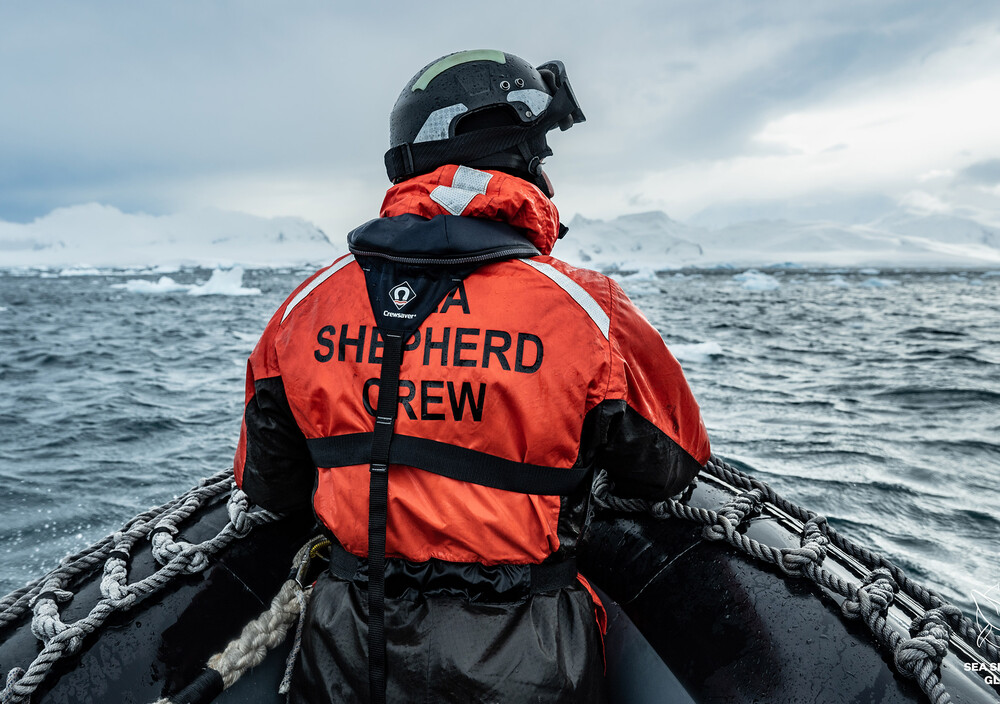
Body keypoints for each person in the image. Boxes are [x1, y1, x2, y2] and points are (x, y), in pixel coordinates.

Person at [233, 49, 711, 703]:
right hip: (529, 661)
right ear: (502, 149)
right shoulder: (588, 308)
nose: (544, 173)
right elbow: (669, 468)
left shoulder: (302, 308)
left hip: (347, 651)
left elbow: (270, 486)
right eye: (537, 152)